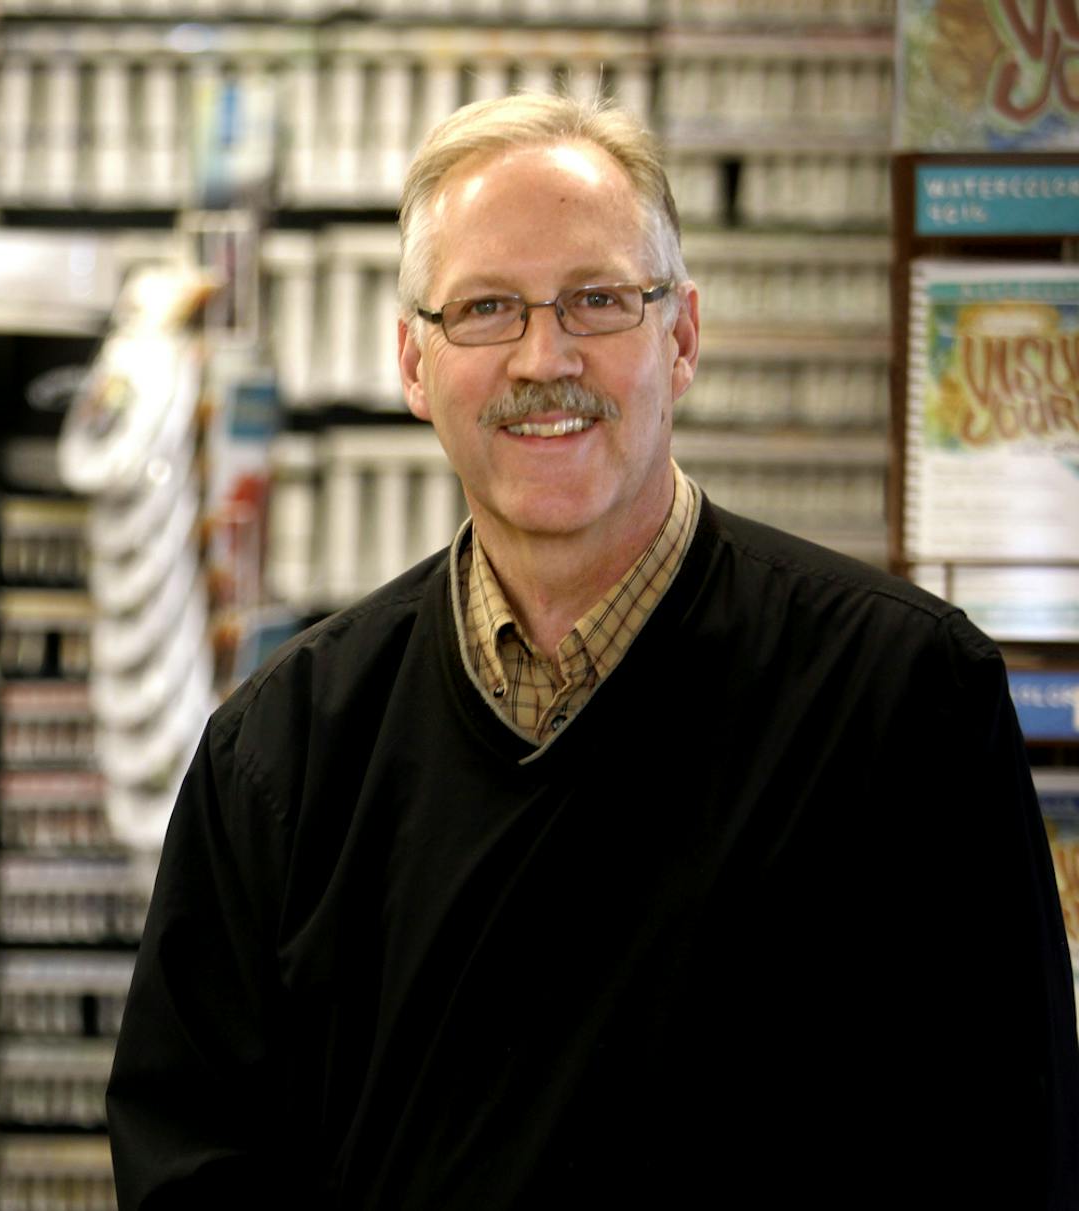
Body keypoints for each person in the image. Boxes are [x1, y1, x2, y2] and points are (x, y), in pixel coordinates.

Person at [106, 93, 1079, 1208]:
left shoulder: (905, 699)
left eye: (598, 300)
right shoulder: (278, 753)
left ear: (683, 337)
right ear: (414, 367)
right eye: (484, 309)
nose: (542, 356)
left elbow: (1011, 1151)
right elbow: (190, 1161)